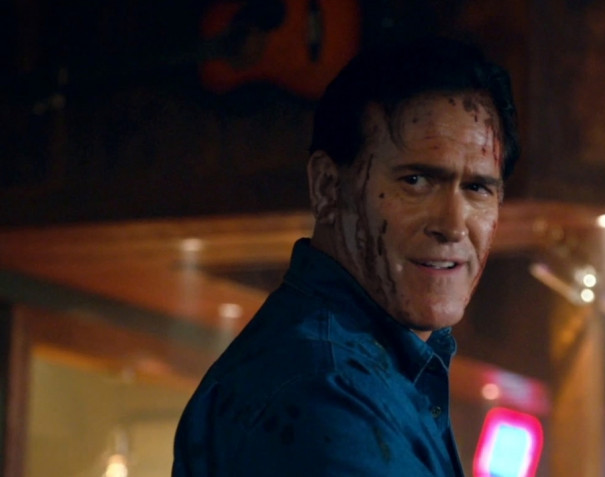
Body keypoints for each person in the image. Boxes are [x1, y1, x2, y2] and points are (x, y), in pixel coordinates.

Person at [172, 36, 520, 476]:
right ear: (327, 187)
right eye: (416, 181)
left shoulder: (353, 370)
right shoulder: (324, 391)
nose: (452, 225)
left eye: (477, 188)